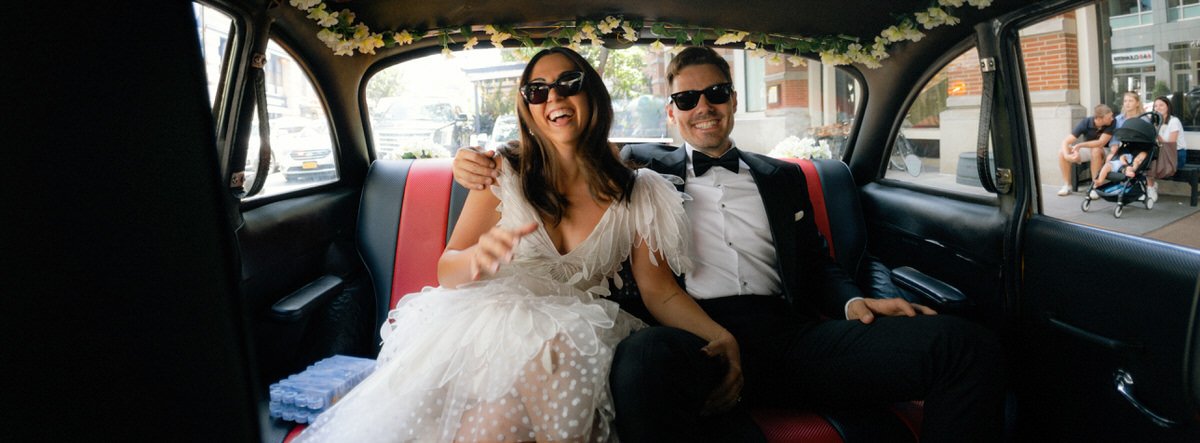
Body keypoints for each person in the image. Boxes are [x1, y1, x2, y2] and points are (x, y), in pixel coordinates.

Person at [454, 46, 1004, 443]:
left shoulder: (784, 177)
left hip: (791, 340)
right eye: (686, 98)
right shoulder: (637, 173)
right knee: (641, 359)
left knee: (964, 345)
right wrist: (477, 160)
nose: (703, 107)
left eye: (715, 93)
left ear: (733, 99)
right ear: (670, 111)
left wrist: (853, 301)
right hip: (690, 343)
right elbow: (565, 141)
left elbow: (814, 262)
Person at [296, 47, 741, 443]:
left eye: (569, 84)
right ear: (527, 109)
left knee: (496, 426)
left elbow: (659, 291)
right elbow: (447, 269)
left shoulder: (638, 191)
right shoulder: (501, 173)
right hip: (489, 338)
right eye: (537, 90)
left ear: (593, 96)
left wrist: (721, 335)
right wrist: (478, 258)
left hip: (578, 338)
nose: (554, 98)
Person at [1056, 104, 1114, 196]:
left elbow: (1101, 143)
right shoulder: (1086, 122)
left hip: (1106, 150)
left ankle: (1095, 186)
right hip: (1088, 149)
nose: (1112, 118)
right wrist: (1068, 156)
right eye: (1109, 117)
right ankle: (1067, 185)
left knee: (1096, 150)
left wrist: (1080, 145)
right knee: (1062, 152)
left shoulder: (1111, 123)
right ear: (1099, 119)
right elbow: (1066, 141)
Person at [1154, 96, 1189, 170]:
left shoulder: (1174, 121)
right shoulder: (1156, 123)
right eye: (1155, 106)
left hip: (1176, 155)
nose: (1158, 108)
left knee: (1149, 167)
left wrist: (1156, 133)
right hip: (1163, 154)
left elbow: (1170, 146)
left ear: (1168, 107)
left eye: (1161, 105)